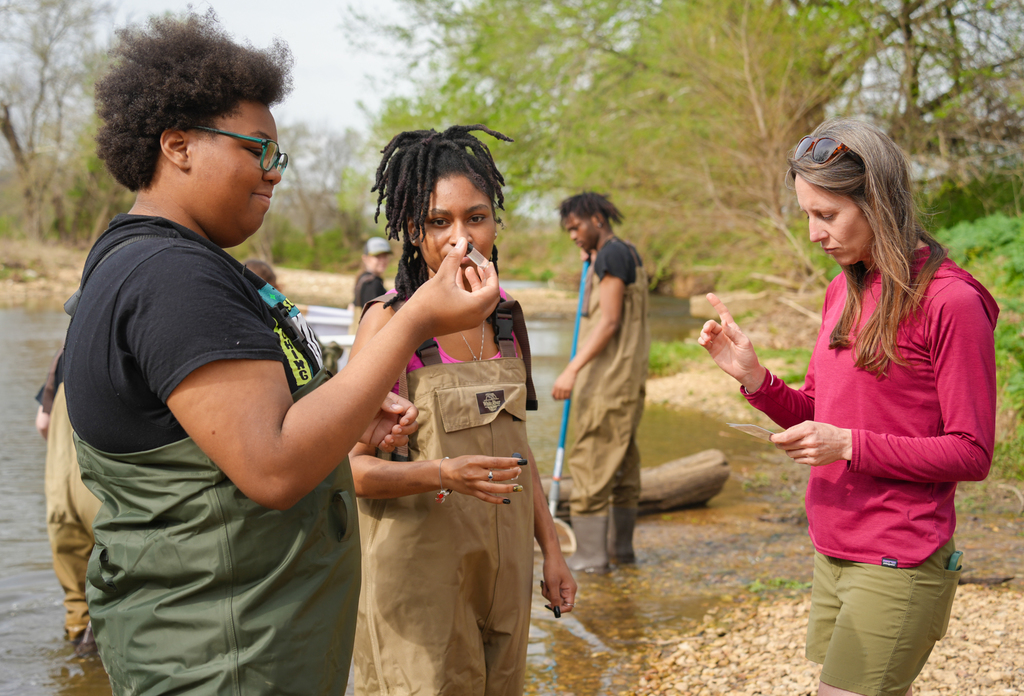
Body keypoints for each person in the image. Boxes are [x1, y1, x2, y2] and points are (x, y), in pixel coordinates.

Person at [61, 14, 500, 696]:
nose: (273, 173)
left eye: (279, 155)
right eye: (257, 149)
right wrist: (415, 319)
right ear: (177, 145)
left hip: (253, 647)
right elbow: (272, 467)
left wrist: (349, 410)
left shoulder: (177, 265)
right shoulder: (172, 279)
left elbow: (242, 433)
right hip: (223, 661)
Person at [697, 119, 998, 696]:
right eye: (807, 215)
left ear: (879, 201)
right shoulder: (843, 289)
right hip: (832, 549)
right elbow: (817, 411)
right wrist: (755, 379)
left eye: (828, 215)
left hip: (898, 557)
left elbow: (972, 452)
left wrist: (849, 446)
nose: (814, 234)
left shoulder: (952, 301)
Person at [349, 125, 577, 696]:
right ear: (412, 229)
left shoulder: (508, 319)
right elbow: (348, 470)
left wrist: (551, 552)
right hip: (419, 579)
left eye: (476, 217)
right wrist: (442, 473)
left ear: (495, 222)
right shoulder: (388, 322)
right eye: (438, 221)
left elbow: (519, 450)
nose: (460, 239)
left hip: (505, 575)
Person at [552, 192, 650, 573]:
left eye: (576, 227)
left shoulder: (611, 256)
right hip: (626, 379)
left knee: (592, 459)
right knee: (622, 461)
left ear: (596, 219)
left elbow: (608, 321)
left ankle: (591, 558)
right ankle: (620, 552)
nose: (572, 235)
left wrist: (571, 369)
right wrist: (592, 260)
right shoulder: (624, 253)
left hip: (607, 380)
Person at [34, 345, 101, 658]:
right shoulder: (127, 341)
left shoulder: (64, 354)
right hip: (98, 485)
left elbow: (43, 423)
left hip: (59, 488)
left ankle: (78, 663)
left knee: (76, 602)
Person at [350, 237, 392, 314]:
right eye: (377, 256)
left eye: (385, 256)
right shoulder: (372, 283)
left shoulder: (362, 278)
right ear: (365, 258)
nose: (382, 260)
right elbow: (375, 314)